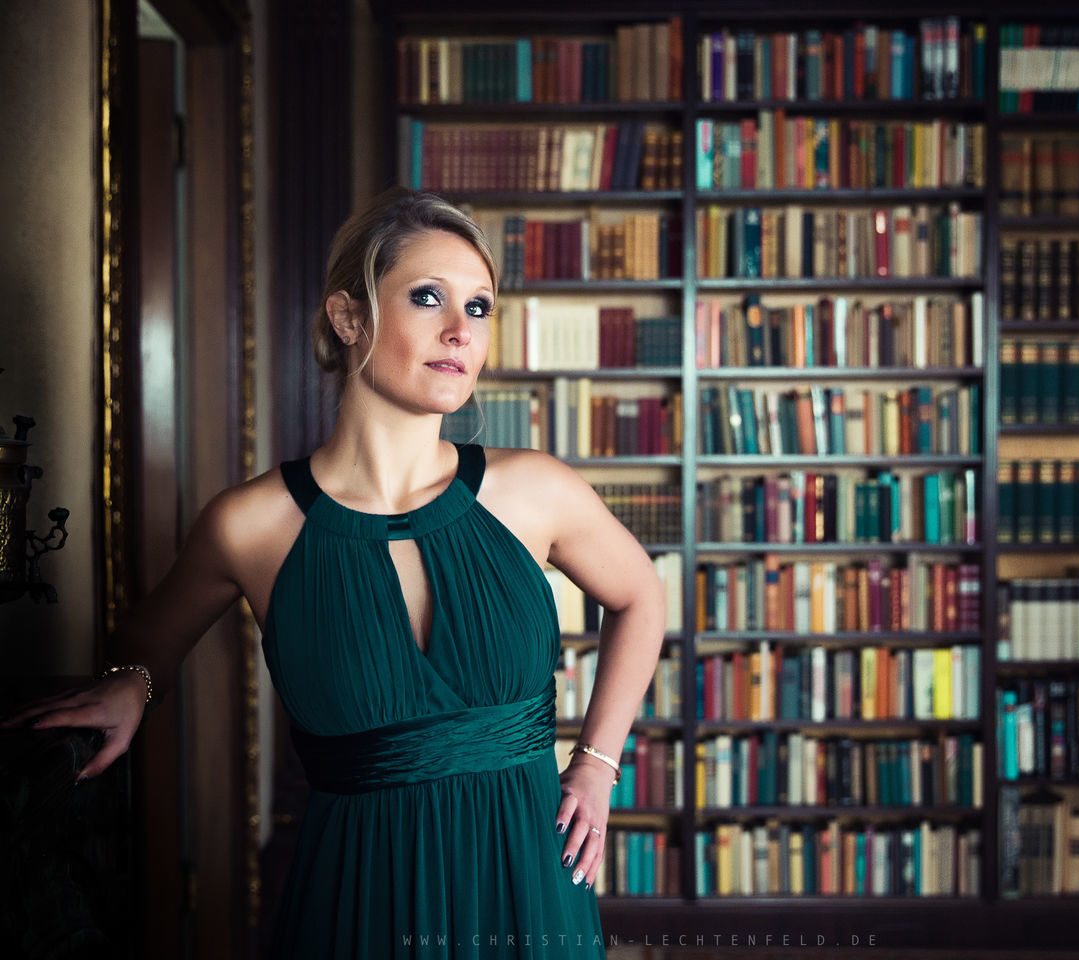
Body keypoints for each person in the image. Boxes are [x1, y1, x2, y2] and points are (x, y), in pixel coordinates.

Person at [1, 188, 666, 958]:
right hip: (360, 896)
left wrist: (596, 764)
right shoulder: (249, 525)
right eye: (428, 298)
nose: (461, 331)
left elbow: (642, 595)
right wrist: (130, 682)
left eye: (479, 308)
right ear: (349, 317)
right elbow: (151, 637)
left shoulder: (537, 490)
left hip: (528, 883)